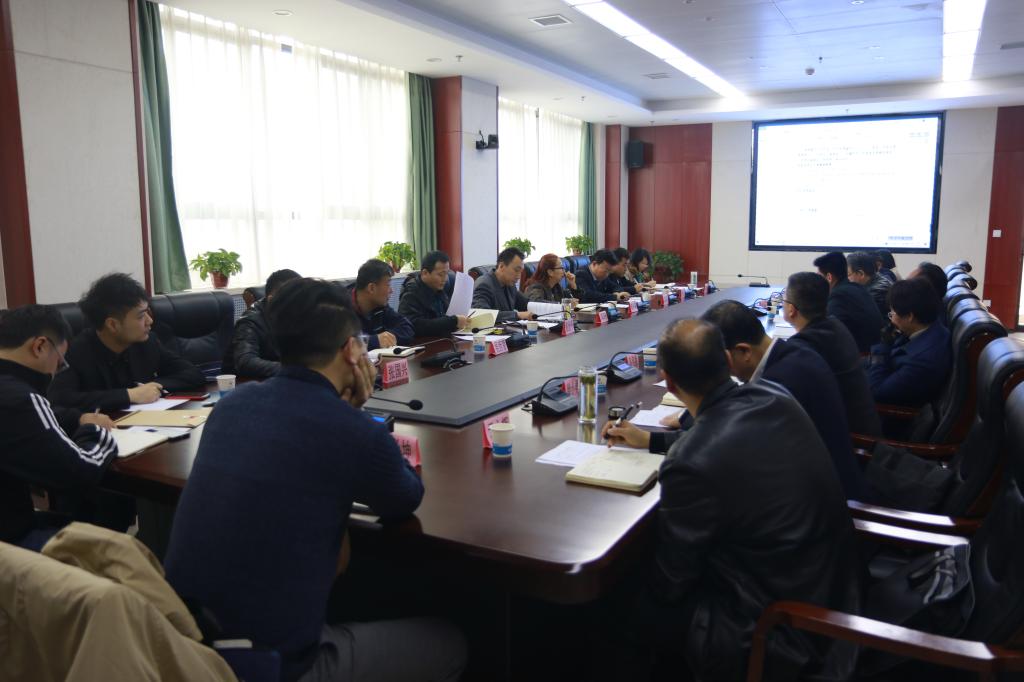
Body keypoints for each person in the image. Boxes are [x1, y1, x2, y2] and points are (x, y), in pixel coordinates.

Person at [164, 278, 466, 682]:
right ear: (351, 350)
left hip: (181, 649)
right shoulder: (353, 430)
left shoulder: (231, 407)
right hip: (272, 667)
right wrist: (356, 413)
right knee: (451, 643)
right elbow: (405, 497)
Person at [601, 319, 860, 681]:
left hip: (777, 628)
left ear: (669, 382)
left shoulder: (690, 462)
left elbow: (672, 582)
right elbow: (724, 439)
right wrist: (652, 440)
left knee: (618, 604)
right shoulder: (773, 395)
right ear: (726, 359)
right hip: (833, 587)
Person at [604, 301, 865, 500]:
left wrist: (660, 437)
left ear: (741, 352)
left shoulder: (780, 384)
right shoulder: (792, 357)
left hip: (834, 505)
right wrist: (650, 438)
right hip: (818, 503)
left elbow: (719, 441)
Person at [0, 305, 118, 550]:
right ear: (40, 346)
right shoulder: (20, 398)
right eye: (59, 362)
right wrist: (96, 433)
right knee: (118, 549)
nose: (55, 372)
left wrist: (77, 420)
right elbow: (79, 472)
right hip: (11, 544)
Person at [48, 273, 205, 411]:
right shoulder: (76, 351)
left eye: (148, 313)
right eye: (141, 316)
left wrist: (154, 386)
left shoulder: (148, 342)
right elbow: (60, 400)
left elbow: (193, 374)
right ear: (112, 325)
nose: (150, 321)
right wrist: (129, 395)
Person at [783, 272, 883, 436]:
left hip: (852, 439)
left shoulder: (804, 346)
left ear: (791, 309)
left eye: (784, 299)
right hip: (861, 424)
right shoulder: (835, 325)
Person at [868, 277, 952, 408]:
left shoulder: (923, 361)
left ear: (909, 316)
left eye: (892, 313)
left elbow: (878, 392)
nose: (891, 319)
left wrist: (882, 347)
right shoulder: (929, 328)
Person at [223, 268, 301, 379]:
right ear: (272, 300)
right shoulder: (250, 321)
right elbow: (245, 362)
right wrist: (294, 370)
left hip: (281, 380)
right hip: (244, 384)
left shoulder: (301, 314)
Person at [813, 251, 883, 353]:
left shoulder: (839, 296)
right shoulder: (857, 288)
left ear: (829, 277)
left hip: (861, 357)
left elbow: (827, 332)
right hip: (873, 351)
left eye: (819, 277)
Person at [398, 251, 468, 337]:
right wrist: (453, 321)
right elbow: (413, 325)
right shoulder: (411, 293)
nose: (445, 279)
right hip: (425, 342)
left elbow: (445, 316)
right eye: (440, 275)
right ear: (425, 273)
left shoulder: (438, 287)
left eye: (446, 274)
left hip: (443, 339)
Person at [349, 259, 414, 350]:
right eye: (388, 284)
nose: (391, 291)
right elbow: (342, 344)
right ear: (371, 288)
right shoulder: (341, 307)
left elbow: (407, 328)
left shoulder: (380, 306)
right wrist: (375, 340)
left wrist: (386, 338)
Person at [471, 247, 535, 324]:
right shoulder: (484, 284)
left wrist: (547, 307)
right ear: (501, 266)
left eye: (521, 272)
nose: (519, 276)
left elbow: (526, 304)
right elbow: (482, 315)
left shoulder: (510, 284)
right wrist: (517, 315)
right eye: (516, 270)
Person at [847, 250, 892, 320]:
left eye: (848, 275)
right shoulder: (874, 278)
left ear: (861, 274)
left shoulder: (877, 292)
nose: (846, 279)